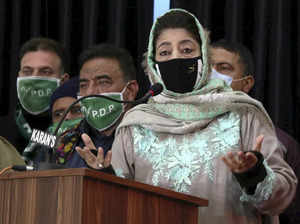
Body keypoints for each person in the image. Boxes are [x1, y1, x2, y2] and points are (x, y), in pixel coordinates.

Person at [108, 9, 297, 224]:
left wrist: (254, 175)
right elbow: (117, 205)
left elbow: (282, 197)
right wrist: (103, 173)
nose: (176, 58)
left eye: (187, 49)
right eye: (165, 52)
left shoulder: (242, 112)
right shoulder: (136, 123)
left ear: (204, 57)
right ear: (153, 63)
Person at [210, 39, 300, 224]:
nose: (213, 74)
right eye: (209, 67)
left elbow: (288, 210)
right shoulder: (181, 123)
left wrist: (255, 176)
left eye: (223, 67)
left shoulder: (280, 141)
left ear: (246, 83)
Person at [56, 43, 139, 169]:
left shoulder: (150, 139)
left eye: (103, 82)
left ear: (130, 91)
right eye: (84, 85)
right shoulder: (65, 141)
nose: (89, 92)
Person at [15, 37, 70, 153]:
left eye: (45, 71)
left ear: (63, 81)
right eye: (27, 71)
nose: (34, 78)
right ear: (19, 77)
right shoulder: (4, 128)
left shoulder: (72, 130)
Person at [23, 77, 83, 164]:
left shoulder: (101, 142)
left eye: (77, 110)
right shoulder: (44, 144)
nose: (67, 118)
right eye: (58, 114)